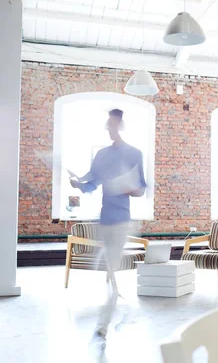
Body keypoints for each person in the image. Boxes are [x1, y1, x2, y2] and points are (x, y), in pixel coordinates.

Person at [70, 108, 146, 342]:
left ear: (121, 125)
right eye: (108, 125)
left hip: (122, 220)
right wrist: (79, 184)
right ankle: (120, 308)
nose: (111, 128)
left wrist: (128, 188)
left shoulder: (134, 153)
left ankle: (102, 325)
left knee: (111, 271)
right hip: (105, 220)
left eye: (114, 124)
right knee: (106, 270)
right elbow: (92, 183)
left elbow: (141, 189)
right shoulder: (102, 155)